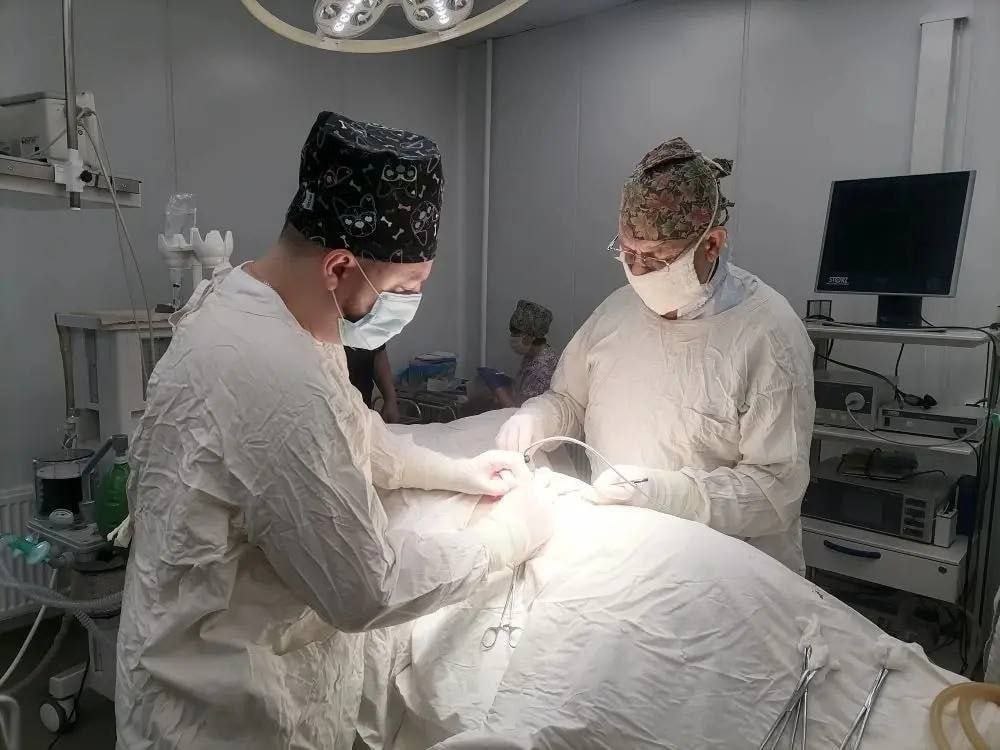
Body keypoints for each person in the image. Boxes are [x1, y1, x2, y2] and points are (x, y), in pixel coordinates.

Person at [116, 112, 555, 750]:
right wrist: (508, 536)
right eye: (406, 287)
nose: (409, 304)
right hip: (221, 721)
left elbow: (352, 432)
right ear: (340, 267)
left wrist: (457, 471)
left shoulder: (250, 304)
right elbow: (368, 589)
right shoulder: (275, 377)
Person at [496, 137, 814, 573]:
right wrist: (537, 417)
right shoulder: (616, 312)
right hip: (624, 554)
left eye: (656, 259)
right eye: (628, 253)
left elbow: (775, 491)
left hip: (727, 573)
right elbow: (570, 399)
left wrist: (665, 493)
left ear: (712, 244)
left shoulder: (769, 336)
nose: (637, 271)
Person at [491, 300, 559, 409]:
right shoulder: (531, 355)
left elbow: (520, 411)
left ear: (531, 337)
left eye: (517, 334)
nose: (513, 337)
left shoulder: (542, 369)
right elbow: (522, 390)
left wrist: (499, 389)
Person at [346, 344, 401, 422]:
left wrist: (390, 400)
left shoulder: (368, 337)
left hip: (362, 408)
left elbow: (379, 354)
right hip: (333, 405)